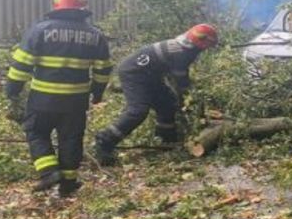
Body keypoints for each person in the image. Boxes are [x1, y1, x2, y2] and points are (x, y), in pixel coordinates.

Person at [5, 0, 112, 197]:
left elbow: (22, 65)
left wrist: (13, 90)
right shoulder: (95, 36)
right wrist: (97, 93)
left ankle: (48, 172)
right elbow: (103, 69)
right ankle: (69, 183)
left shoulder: (40, 30)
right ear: (83, 8)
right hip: (76, 101)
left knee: (36, 132)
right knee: (71, 138)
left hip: (43, 99)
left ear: (57, 5)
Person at [92, 24, 219, 165]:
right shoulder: (181, 52)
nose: (208, 48)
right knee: (138, 110)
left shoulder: (185, 46)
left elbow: (176, 79)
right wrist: (189, 101)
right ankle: (105, 140)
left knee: (167, 104)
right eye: (209, 45)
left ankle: (165, 140)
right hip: (134, 74)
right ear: (202, 42)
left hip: (150, 75)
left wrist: (184, 99)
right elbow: (181, 82)